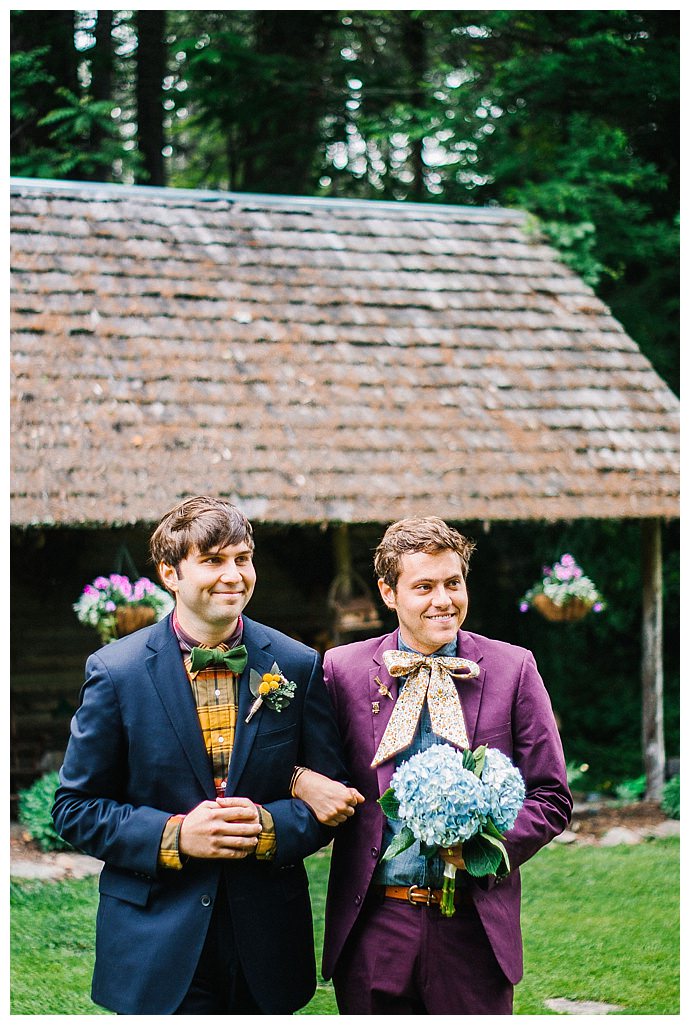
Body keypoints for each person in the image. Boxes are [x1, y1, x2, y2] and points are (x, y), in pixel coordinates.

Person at [52, 496, 362, 1015]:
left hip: (264, 935)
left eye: (242, 558)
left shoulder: (296, 664)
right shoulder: (116, 672)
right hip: (155, 933)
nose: (234, 575)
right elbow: (75, 807)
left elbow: (329, 798)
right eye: (214, 560)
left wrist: (269, 827)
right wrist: (175, 835)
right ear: (170, 573)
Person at [309, 516, 572, 1014]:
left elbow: (551, 796)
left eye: (453, 583)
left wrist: (483, 847)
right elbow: (314, 769)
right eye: (423, 587)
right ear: (389, 593)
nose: (443, 600)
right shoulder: (341, 671)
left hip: (474, 926)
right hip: (377, 925)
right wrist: (303, 782)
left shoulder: (513, 669)